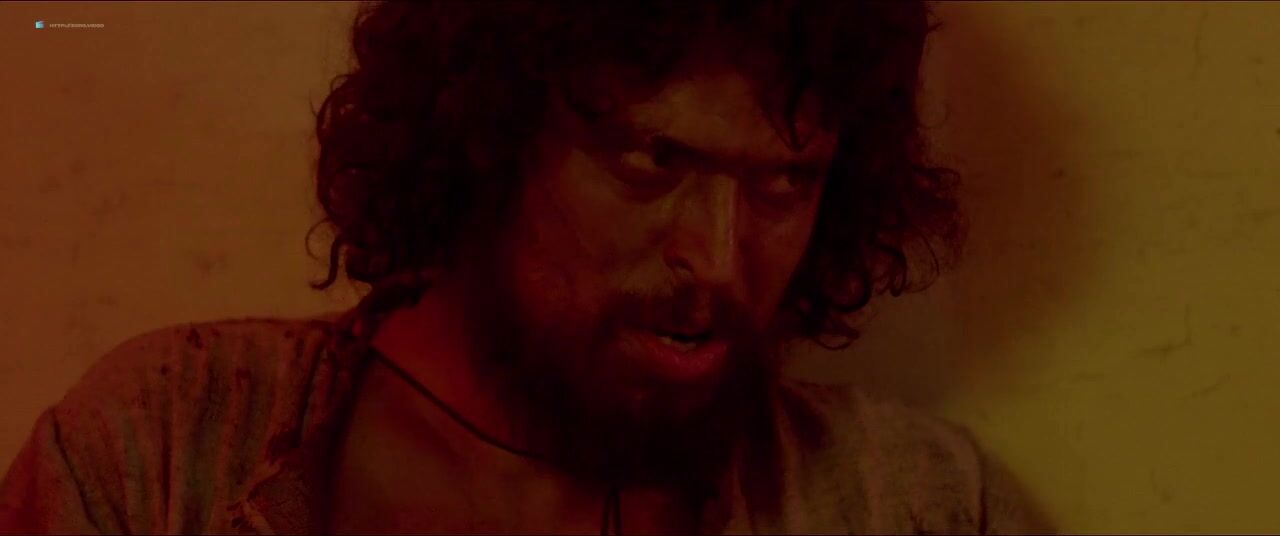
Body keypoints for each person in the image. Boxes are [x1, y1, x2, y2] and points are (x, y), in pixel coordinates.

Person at [0, 1, 1051, 534]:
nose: (718, 258)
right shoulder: (165, 449)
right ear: (488, 130)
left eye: (785, 181)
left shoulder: (910, 502)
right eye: (653, 160)